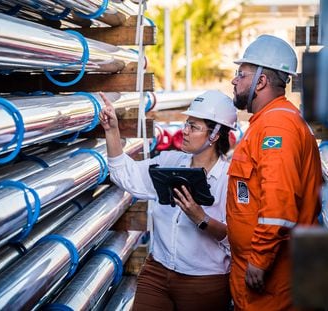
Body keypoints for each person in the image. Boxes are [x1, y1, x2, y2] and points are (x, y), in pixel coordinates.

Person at [99, 90, 237, 311]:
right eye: (186, 124)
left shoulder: (230, 180)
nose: (185, 131)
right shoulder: (169, 161)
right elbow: (126, 176)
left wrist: (201, 219)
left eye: (194, 127)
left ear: (215, 134)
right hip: (157, 273)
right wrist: (112, 130)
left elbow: (237, 240)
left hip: (204, 282)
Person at [227, 34, 323, 310]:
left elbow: (278, 206)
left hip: (273, 278)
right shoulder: (266, 123)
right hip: (259, 274)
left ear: (261, 81)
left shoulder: (277, 126)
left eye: (241, 74)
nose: (235, 80)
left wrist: (259, 259)